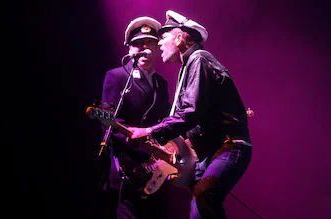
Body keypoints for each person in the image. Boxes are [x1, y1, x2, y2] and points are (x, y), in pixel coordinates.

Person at [129, 10, 252, 219]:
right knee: (199, 212)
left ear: (179, 39)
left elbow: (190, 112)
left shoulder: (199, 60)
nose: (159, 43)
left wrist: (150, 131)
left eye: (163, 37)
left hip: (230, 146)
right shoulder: (189, 66)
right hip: (209, 152)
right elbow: (190, 117)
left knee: (205, 196)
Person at [100, 16, 171, 219]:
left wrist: (162, 152)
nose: (144, 48)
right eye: (138, 44)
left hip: (156, 169)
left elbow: (166, 121)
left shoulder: (161, 83)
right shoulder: (117, 76)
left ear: (157, 48)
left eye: (149, 43)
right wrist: (140, 148)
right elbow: (109, 122)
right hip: (128, 167)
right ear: (129, 49)